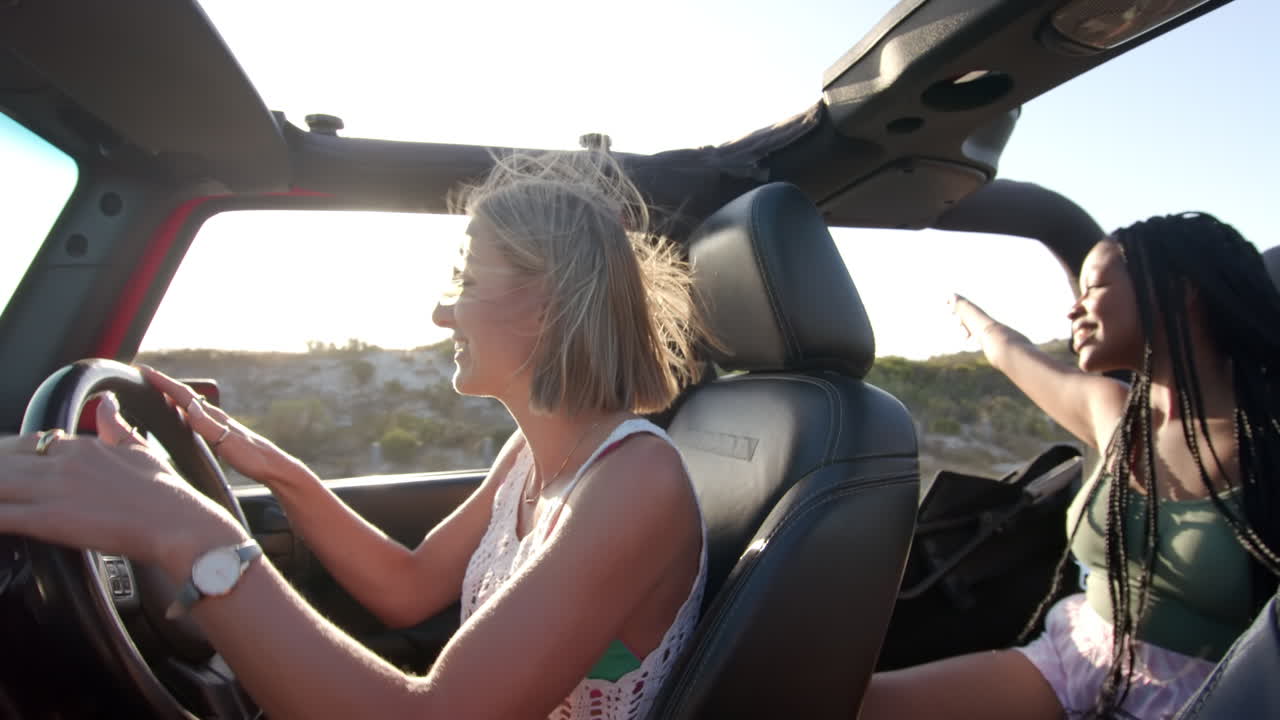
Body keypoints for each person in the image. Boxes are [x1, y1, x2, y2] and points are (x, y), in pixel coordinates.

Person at [0, 150, 711, 719]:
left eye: (466, 279)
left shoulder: (635, 484)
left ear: (549, 307)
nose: (442, 313)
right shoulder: (529, 456)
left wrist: (181, 529)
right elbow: (405, 590)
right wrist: (275, 470)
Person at [859, 212, 1280, 720]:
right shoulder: (1111, 412)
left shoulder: (1270, 446)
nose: (1073, 310)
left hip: (1218, 697)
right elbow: (1009, 351)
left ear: (1180, 289)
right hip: (1076, 658)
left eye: (1095, 286)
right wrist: (970, 314)